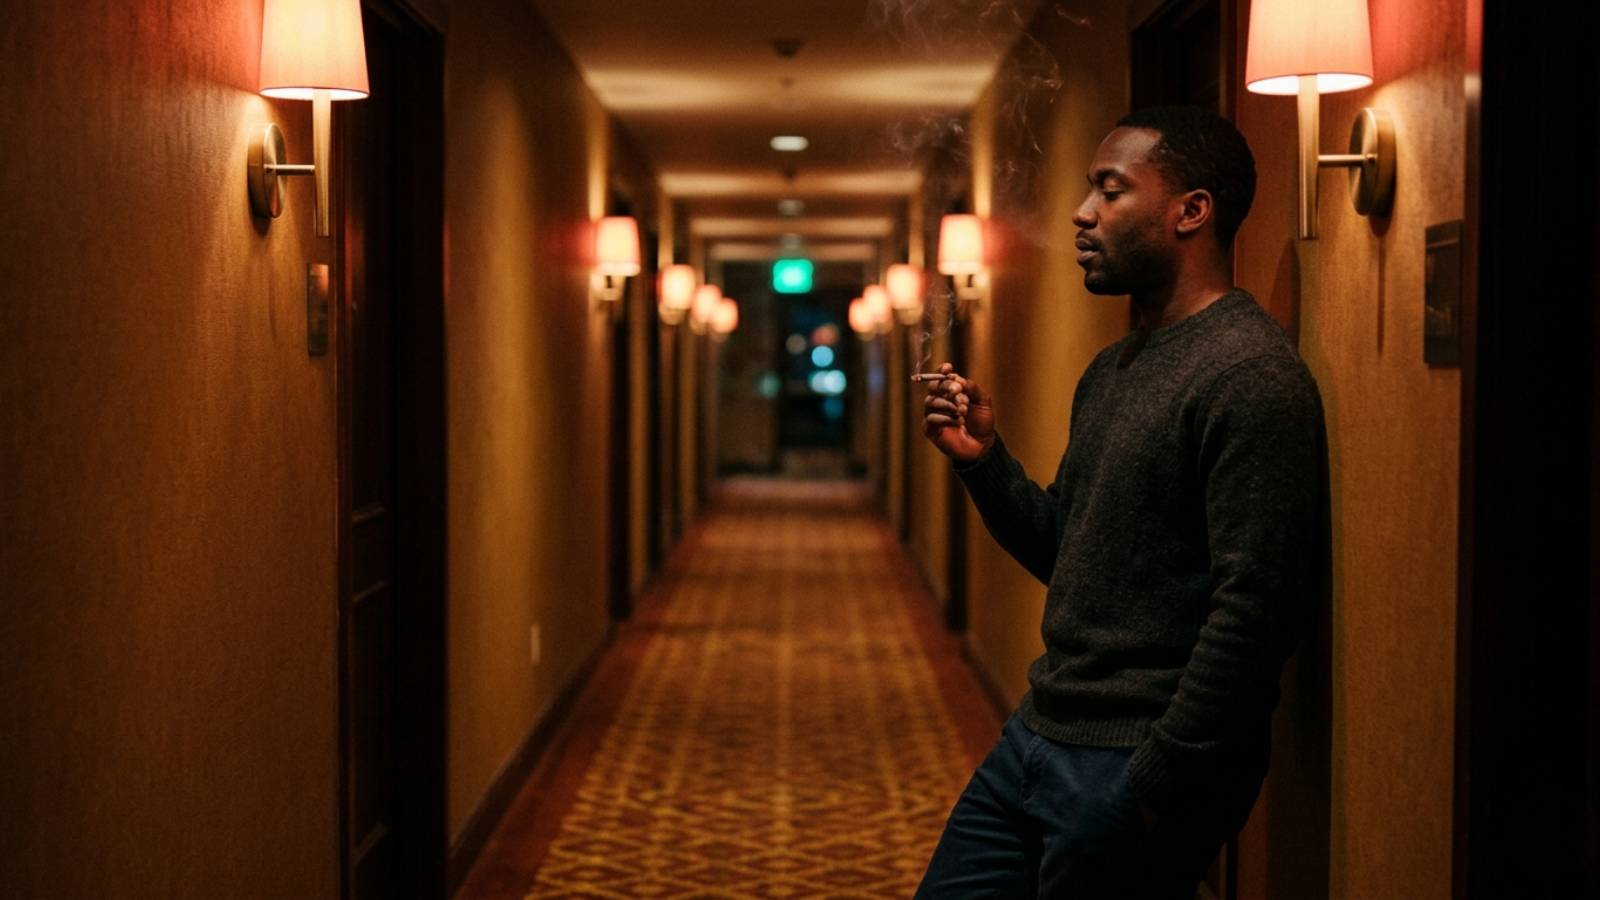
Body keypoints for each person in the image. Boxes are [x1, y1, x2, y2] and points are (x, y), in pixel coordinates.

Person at [913, 106, 1328, 898]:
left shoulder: (1249, 376)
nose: (1082, 212)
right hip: (1042, 730)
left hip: (1133, 763)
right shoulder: (1112, 370)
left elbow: (1258, 608)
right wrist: (984, 465)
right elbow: (1068, 551)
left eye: (1111, 190)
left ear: (1191, 211)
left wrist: (1159, 778)